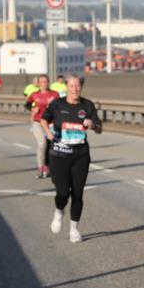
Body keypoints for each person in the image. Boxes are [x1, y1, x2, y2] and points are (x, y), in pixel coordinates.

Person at [41, 76, 102, 243]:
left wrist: (92, 125)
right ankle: (59, 211)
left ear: (80, 87)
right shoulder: (57, 104)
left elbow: (99, 128)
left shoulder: (87, 105)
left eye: (77, 85)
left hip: (80, 155)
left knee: (78, 193)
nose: (74, 88)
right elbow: (43, 119)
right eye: (71, 85)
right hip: (60, 154)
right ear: (66, 87)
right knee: (62, 192)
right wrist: (48, 133)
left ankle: (74, 229)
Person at [25, 75, 59, 178]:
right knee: (42, 144)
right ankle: (40, 168)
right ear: (38, 84)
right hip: (38, 122)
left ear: (48, 82)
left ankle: (47, 167)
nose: (44, 84)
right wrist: (33, 109)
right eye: (41, 82)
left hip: (51, 123)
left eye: (45, 82)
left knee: (50, 146)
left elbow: (60, 106)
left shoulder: (55, 94)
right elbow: (27, 104)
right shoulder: (34, 94)